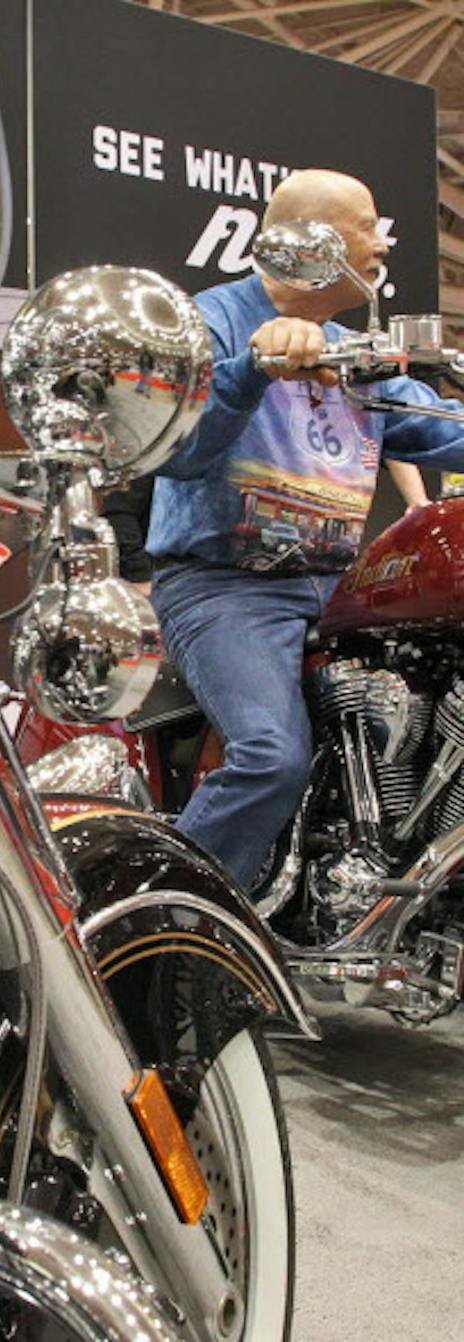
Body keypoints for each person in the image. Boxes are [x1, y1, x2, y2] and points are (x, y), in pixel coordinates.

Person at [146, 168, 464, 889]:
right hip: (228, 587)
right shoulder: (210, 322)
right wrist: (254, 367)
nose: (381, 240)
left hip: (339, 588)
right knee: (268, 756)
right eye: (364, 223)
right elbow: (180, 451)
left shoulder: (359, 353)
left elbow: (441, 427)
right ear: (312, 240)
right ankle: (173, 923)